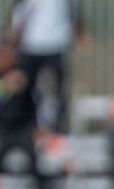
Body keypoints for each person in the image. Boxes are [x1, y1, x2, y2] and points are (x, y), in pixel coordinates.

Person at [7, 0, 85, 132]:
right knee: (24, 88)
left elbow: (73, 11)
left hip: (56, 44)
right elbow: (19, 16)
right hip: (31, 45)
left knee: (59, 89)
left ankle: (59, 126)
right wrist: (14, 42)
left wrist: (79, 31)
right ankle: (22, 124)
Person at [0, 39, 49, 189]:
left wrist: (40, 125)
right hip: (3, 130)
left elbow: (37, 101)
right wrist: (5, 87)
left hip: (24, 128)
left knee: (36, 162)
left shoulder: (25, 74)